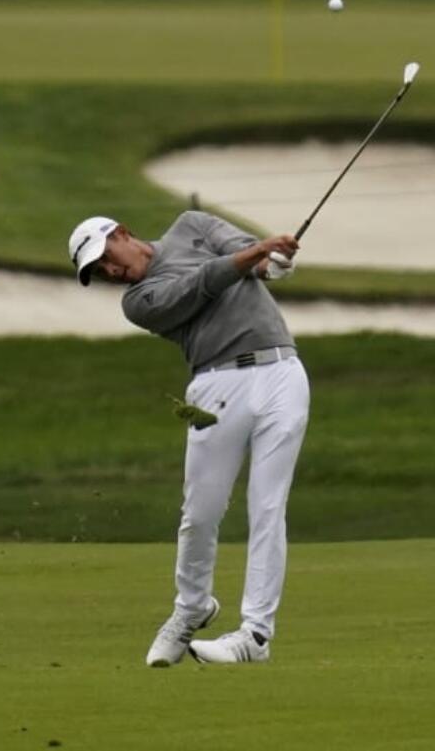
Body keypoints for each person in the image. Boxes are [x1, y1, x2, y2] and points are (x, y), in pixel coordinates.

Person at [67, 211, 308, 666]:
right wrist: (255, 253)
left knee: (269, 506)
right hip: (215, 387)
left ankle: (255, 635)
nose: (110, 273)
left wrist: (275, 260)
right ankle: (192, 607)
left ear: (121, 233)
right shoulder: (139, 301)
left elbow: (255, 261)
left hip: (282, 372)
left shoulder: (192, 225)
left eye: (105, 259)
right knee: (200, 514)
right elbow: (201, 284)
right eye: (99, 273)